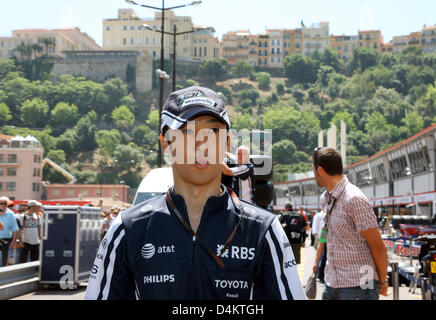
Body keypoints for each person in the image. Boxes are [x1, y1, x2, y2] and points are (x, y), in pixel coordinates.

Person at [85, 86, 306, 300]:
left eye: (212, 132)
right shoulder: (127, 228)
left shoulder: (263, 230)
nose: (202, 145)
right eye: (187, 132)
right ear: (165, 144)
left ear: (227, 142)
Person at [311, 147, 388, 300]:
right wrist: (316, 260)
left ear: (320, 170)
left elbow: (377, 246)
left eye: (313, 169)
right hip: (331, 283)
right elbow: (325, 234)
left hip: (360, 287)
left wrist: (383, 281)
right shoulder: (326, 198)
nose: (314, 174)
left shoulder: (355, 199)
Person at [0, 196, 19, 267]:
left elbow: (15, 229)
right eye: (1, 203)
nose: (3, 205)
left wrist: (13, 241)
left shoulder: (11, 214)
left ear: (7, 204)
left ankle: (2, 274)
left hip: (6, 240)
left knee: (4, 259)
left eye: (4, 203)